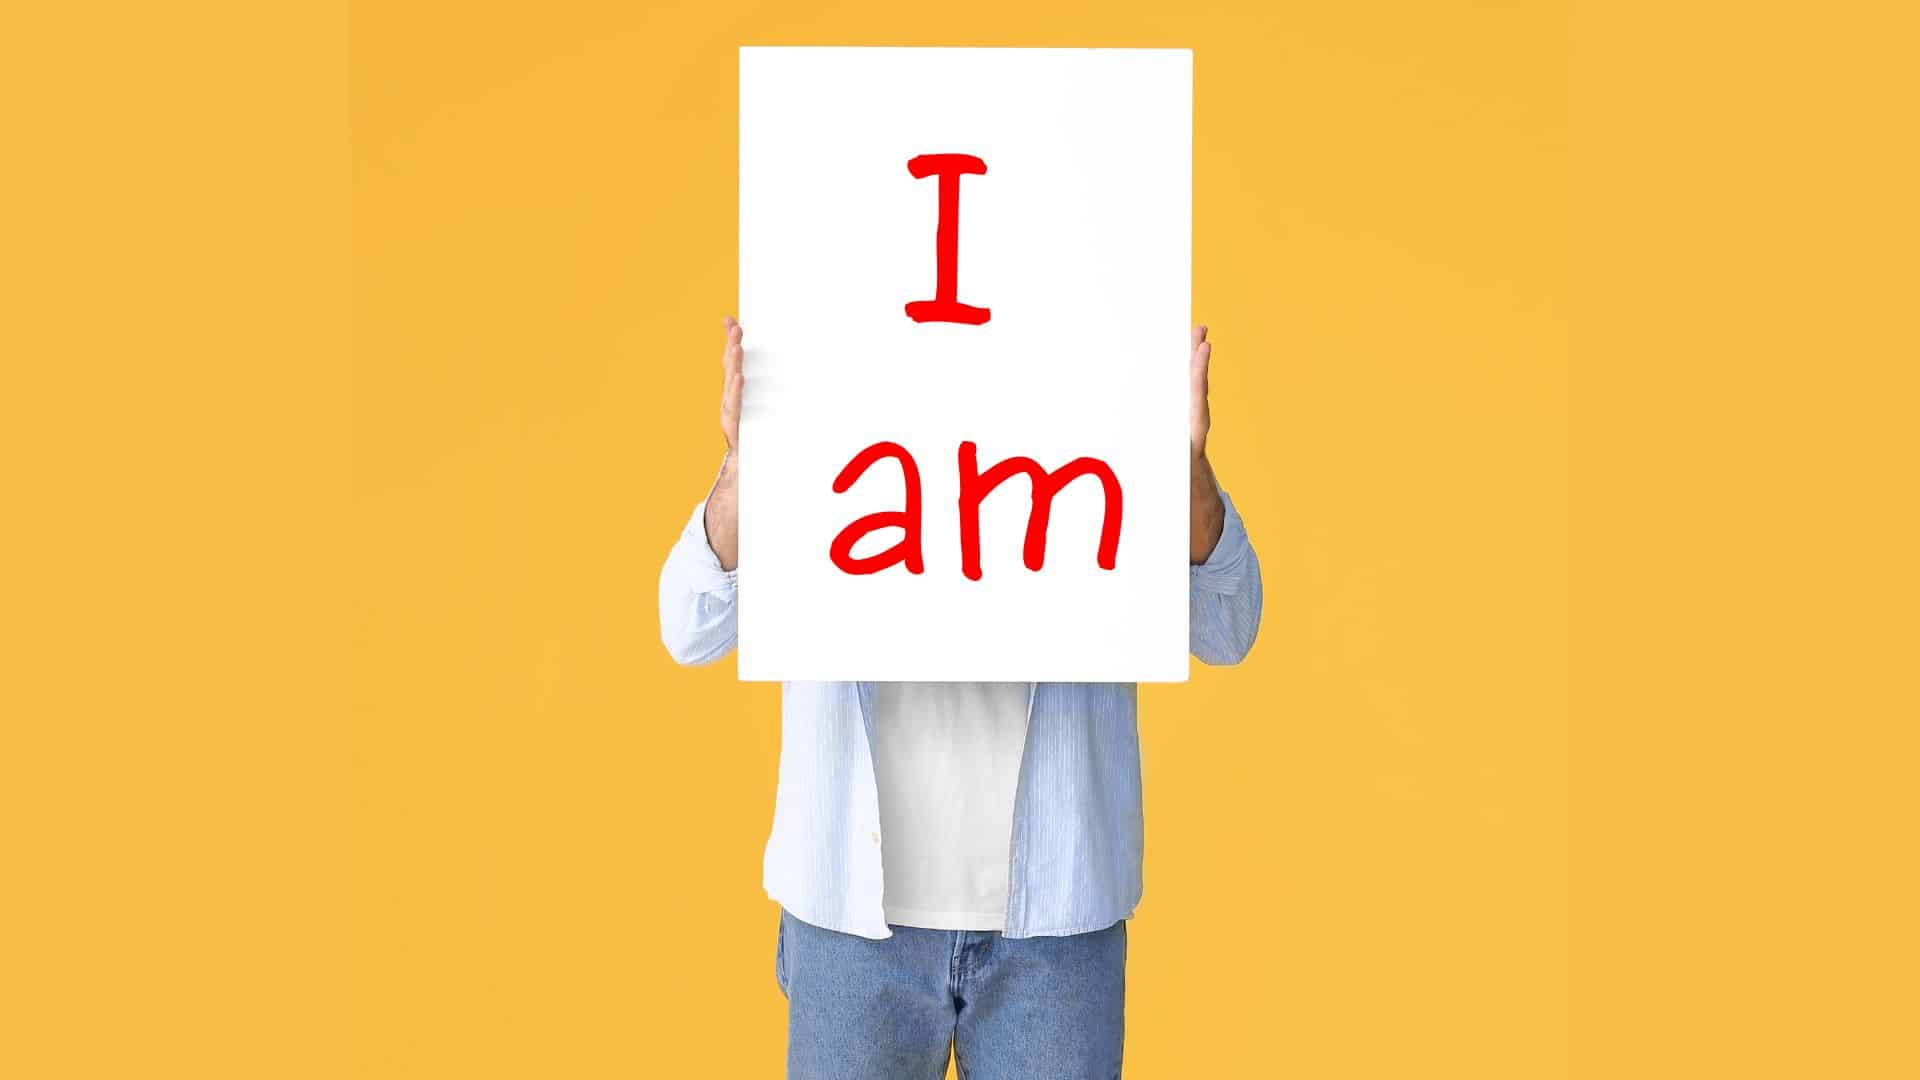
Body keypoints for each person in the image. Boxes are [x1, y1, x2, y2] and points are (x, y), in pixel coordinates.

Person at [660, 316, 1263, 1079]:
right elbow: (691, 624)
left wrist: (1183, 471)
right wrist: (745, 469)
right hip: (850, 920)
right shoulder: (830, 361)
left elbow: (1227, 625)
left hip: (1057, 922)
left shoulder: (1096, 363)